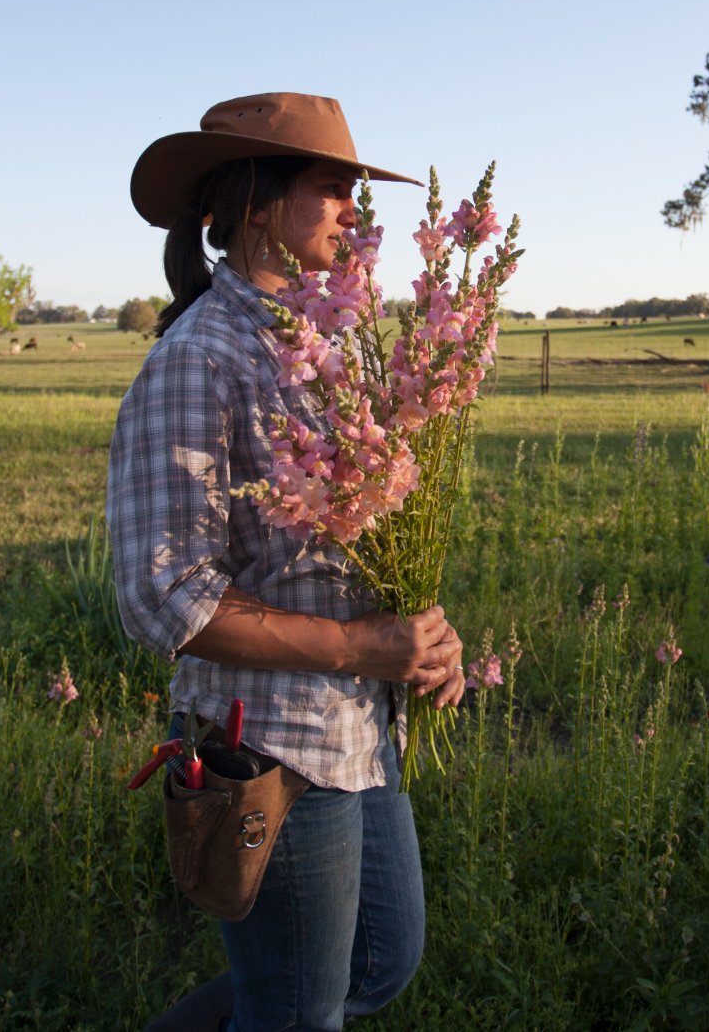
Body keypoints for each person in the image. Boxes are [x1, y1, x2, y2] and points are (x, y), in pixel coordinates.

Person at [109, 92, 468, 1031]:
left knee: (382, 960)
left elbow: (375, 533)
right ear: (260, 203)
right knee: (299, 1012)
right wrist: (359, 644)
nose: (356, 209)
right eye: (333, 187)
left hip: (362, 723)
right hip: (269, 742)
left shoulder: (339, 346)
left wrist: (423, 632)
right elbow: (163, 596)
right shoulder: (198, 359)